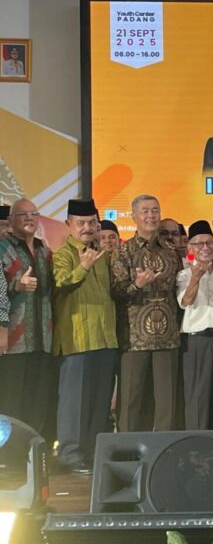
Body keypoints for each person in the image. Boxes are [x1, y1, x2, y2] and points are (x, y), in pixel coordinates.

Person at [53, 199, 118, 474]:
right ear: (69, 224)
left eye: (92, 222)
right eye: (81, 223)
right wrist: (83, 267)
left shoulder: (103, 254)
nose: (87, 228)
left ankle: (93, 454)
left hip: (106, 339)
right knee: (74, 403)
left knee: (100, 403)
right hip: (77, 340)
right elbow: (59, 282)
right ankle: (69, 456)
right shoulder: (63, 254)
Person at [110, 194, 183, 432]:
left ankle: (164, 449)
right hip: (134, 339)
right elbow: (116, 292)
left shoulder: (171, 252)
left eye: (155, 210)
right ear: (133, 216)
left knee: (166, 404)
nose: (151, 216)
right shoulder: (123, 252)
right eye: (145, 211)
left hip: (168, 338)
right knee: (130, 402)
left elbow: (179, 292)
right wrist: (137, 285)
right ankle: (127, 449)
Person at [0, 199, 55, 439]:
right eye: (23, 214)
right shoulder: (3, 248)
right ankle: (9, 454)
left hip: (44, 339)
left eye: (34, 214)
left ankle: (33, 452)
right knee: (11, 401)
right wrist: (17, 285)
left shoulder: (45, 251)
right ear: (11, 220)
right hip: (13, 342)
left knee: (39, 401)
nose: (30, 218)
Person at [177, 220, 213, 430]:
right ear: (190, 247)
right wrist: (196, 277)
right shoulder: (184, 274)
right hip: (196, 342)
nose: (205, 248)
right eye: (199, 243)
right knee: (198, 398)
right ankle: (198, 444)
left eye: (209, 243)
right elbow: (185, 301)